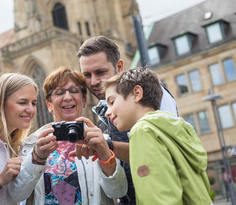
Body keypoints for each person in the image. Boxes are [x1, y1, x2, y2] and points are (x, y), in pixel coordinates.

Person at [77, 36, 178, 204]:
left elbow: (163, 152)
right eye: (87, 75)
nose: (93, 81)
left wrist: (106, 146)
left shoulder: (151, 94)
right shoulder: (105, 110)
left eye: (100, 72)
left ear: (119, 66)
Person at [103, 67, 212, 205]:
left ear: (137, 93)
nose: (107, 112)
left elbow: (159, 198)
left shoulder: (143, 131)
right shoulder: (175, 128)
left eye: (112, 102)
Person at [19, 67, 127, 205]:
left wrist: (104, 153)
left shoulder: (101, 141)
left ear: (84, 101)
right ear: (49, 105)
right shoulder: (31, 144)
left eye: (74, 91)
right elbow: (18, 194)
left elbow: (118, 192)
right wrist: (37, 157)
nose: (68, 97)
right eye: (59, 93)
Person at [0, 73, 57, 205]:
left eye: (34, 103)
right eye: (22, 102)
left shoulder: (18, 145)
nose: (31, 110)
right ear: (1, 102)